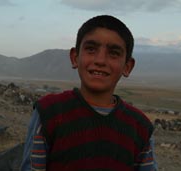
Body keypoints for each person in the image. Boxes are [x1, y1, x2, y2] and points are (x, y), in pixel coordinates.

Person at [21, 15, 157, 171]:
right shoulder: (49, 112)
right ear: (75, 57)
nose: (100, 60)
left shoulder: (140, 126)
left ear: (127, 66)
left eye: (113, 53)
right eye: (91, 49)